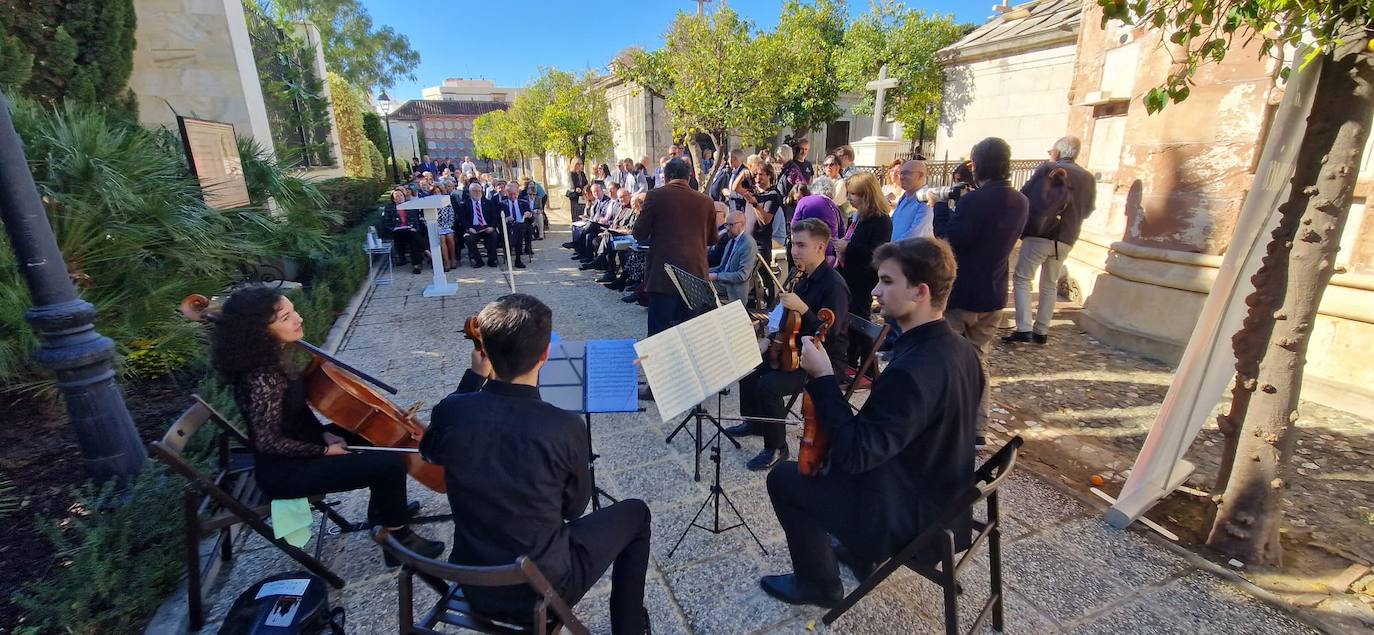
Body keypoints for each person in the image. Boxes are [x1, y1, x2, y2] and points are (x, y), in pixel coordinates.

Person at [759, 237, 981, 608]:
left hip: (911, 521)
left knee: (785, 479)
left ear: (920, 292)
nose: (875, 290)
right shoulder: (962, 350)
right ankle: (855, 552)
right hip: (944, 501)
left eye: (888, 281)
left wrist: (825, 378)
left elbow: (855, 455)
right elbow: (906, 430)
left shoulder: (912, 371)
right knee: (823, 462)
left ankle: (819, 585)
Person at [421, 294, 652, 635]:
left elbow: (430, 452)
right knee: (637, 514)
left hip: (472, 580)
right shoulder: (563, 426)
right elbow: (575, 509)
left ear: (485, 351)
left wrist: (473, 378)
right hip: (540, 589)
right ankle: (629, 628)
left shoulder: (452, 411)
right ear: (545, 355)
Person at [212, 286, 444, 566]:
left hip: (304, 446)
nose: (298, 318)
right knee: (388, 464)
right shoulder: (260, 379)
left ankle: (384, 513)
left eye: (293, 310)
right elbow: (267, 442)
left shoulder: (274, 359)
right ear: (259, 332)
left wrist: (324, 433)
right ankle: (398, 540)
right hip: (285, 470)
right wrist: (323, 451)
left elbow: (296, 414)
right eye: (286, 317)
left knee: (375, 433)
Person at [726, 218, 849, 471]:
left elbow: (831, 333)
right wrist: (768, 339)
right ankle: (755, 422)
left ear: (820, 247)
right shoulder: (799, 275)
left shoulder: (834, 286)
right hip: (791, 349)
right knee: (749, 365)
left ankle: (776, 447)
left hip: (821, 361)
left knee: (769, 385)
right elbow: (784, 319)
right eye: (794, 244)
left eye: (802, 246)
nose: (795, 251)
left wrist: (803, 308)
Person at [940, 138, 1028, 445]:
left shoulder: (974, 201)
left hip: (963, 293)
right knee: (979, 361)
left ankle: (946, 425)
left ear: (979, 165)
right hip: (993, 292)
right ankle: (978, 428)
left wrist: (941, 207)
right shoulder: (1020, 200)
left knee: (947, 359)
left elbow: (950, 240)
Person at [1006, 136, 1096, 345]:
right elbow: (1089, 209)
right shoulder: (1087, 177)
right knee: (1049, 283)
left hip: (1040, 232)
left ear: (1057, 151)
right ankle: (1041, 329)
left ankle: (1024, 327)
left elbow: (1024, 195)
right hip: (1067, 236)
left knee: (1022, 278)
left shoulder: (1047, 168)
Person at [632, 158, 718, 338]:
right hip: (695, 276)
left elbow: (639, 233)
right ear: (689, 177)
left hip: (663, 277)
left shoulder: (655, 196)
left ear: (666, 176)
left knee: (659, 334)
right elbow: (712, 239)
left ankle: (660, 366)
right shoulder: (706, 201)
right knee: (691, 335)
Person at [837, 173, 893, 322]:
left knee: (857, 319)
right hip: (848, 274)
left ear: (867, 195)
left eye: (853, 194)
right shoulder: (858, 215)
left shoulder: (880, 220)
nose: (849, 198)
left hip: (863, 279)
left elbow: (877, 252)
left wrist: (848, 247)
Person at [709, 209, 759, 304]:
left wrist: (716, 276)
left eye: (731, 225)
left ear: (742, 224)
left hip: (733, 289)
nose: (727, 228)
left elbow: (742, 275)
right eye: (726, 224)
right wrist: (703, 272)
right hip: (722, 282)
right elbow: (722, 268)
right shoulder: (731, 241)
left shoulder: (748, 244)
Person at [381, 187, 426, 275]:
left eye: (401, 195)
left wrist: (415, 228)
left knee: (413, 237)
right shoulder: (389, 208)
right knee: (413, 236)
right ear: (393, 199)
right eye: (397, 196)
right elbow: (387, 222)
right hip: (397, 231)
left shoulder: (410, 205)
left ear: (404, 196)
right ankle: (423, 257)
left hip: (410, 230)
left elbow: (416, 221)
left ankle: (416, 264)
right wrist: (393, 228)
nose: (399, 197)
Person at [748, 163, 783, 264]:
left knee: (765, 278)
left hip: (761, 246)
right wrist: (744, 174)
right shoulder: (754, 193)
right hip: (748, 243)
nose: (758, 178)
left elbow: (766, 220)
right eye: (755, 175)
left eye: (761, 174)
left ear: (769, 176)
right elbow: (735, 188)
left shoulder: (773, 195)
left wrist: (754, 204)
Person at [461, 182, 502, 268]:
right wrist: (469, 228)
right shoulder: (465, 204)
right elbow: (463, 219)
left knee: (493, 236)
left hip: (486, 228)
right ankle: (478, 260)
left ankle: (492, 259)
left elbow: (495, 217)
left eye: (479, 191)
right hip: (473, 229)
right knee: (468, 238)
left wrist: (492, 227)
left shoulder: (488, 203)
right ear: (470, 192)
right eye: (475, 191)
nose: (477, 193)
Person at [890, 160, 933, 241]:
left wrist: (891, 248)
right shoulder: (904, 198)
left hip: (914, 252)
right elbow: (893, 223)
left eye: (906, 173)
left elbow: (916, 233)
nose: (901, 177)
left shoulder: (926, 199)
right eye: (901, 173)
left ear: (920, 175)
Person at [497, 182, 531, 269]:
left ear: (518, 193)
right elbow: (497, 220)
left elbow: (532, 220)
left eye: (514, 194)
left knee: (519, 229)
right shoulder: (502, 204)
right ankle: (517, 260)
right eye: (510, 194)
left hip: (523, 226)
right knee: (515, 230)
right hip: (508, 227)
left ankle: (513, 252)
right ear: (506, 193)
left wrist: (529, 215)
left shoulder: (524, 203)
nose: (512, 196)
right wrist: (506, 219)